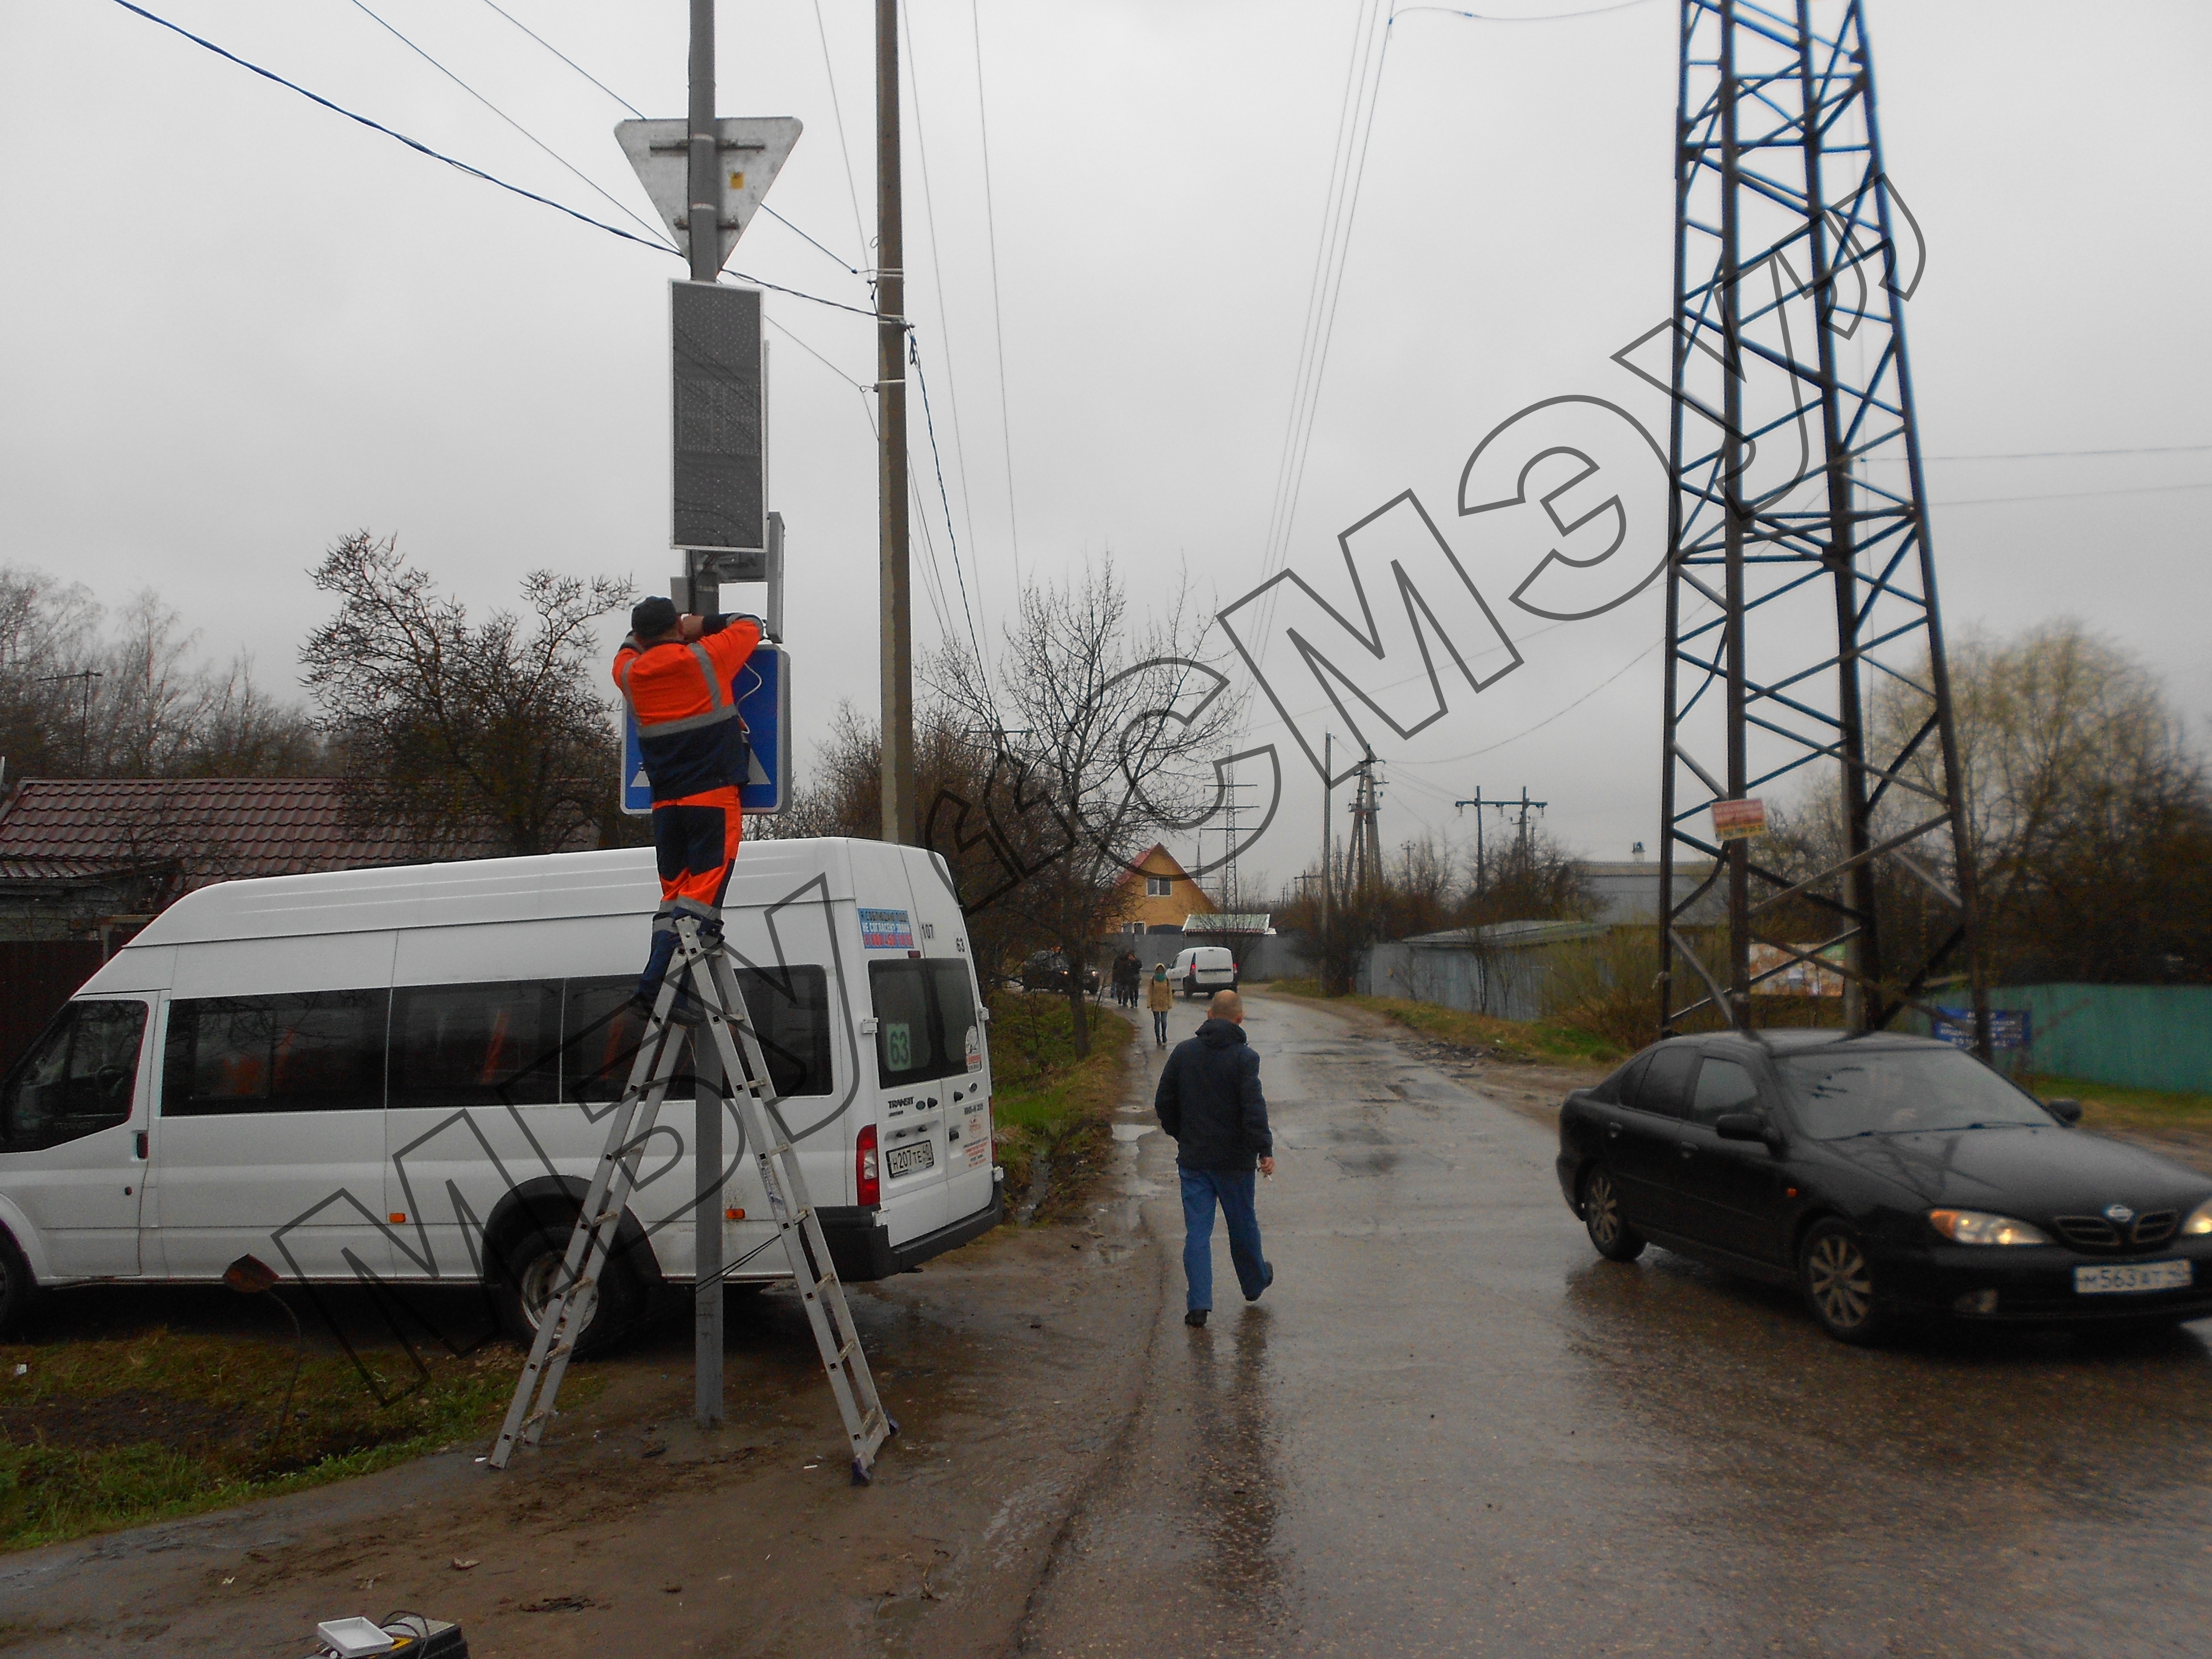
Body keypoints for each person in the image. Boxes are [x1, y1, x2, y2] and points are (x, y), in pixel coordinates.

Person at [612, 594, 765, 1018]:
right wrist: (699, 623)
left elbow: (627, 648)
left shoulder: (629, 673)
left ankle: (665, 985)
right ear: (677, 629)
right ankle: (656, 986)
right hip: (712, 796)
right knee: (702, 897)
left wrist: (671, 629)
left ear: (641, 636)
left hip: (667, 804)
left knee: (674, 896)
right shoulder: (704, 658)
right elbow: (751, 624)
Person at [1153, 989, 1274, 1328]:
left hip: (1195, 1161)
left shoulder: (1183, 1053)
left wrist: (1183, 1134)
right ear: (1240, 1019)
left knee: (1197, 1232)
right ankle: (1253, 1285)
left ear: (1208, 1016)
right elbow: (1253, 1110)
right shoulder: (1244, 1058)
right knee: (1242, 1225)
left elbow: (1164, 1102)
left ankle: (1198, 1306)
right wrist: (1264, 1149)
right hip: (1235, 1163)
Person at [1146, 961, 1173, 1045]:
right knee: (1157, 1022)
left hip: (1164, 1003)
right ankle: (1158, 1038)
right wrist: (1149, 1003)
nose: (1160, 971)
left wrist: (1170, 1003)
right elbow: (1150, 992)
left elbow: (1170, 992)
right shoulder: (1153, 980)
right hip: (1155, 1004)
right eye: (1159, 969)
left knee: (1164, 1022)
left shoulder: (1167, 980)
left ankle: (1164, 1035)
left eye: (1161, 969)